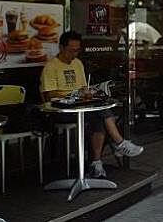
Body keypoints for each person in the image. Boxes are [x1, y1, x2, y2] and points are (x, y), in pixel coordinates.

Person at [40, 31, 144, 179]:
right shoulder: (51, 67)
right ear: (61, 48)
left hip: (80, 107)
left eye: (77, 50)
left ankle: (97, 162)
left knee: (100, 116)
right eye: (71, 50)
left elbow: (83, 87)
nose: (74, 54)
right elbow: (49, 95)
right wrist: (74, 94)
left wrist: (90, 92)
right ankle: (118, 144)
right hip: (61, 112)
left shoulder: (78, 64)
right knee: (102, 114)